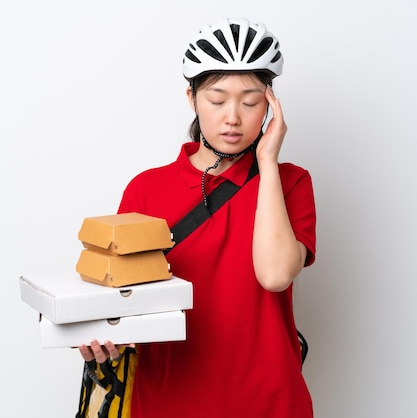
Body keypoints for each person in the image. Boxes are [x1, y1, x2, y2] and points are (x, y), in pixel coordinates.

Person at [78, 17, 316, 418]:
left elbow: (274, 275)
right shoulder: (146, 189)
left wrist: (268, 164)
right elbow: (121, 301)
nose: (233, 117)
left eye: (251, 100)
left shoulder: (290, 182)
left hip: (270, 402)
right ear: (191, 98)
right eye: (217, 99)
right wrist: (104, 340)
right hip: (168, 402)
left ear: (272, 104)